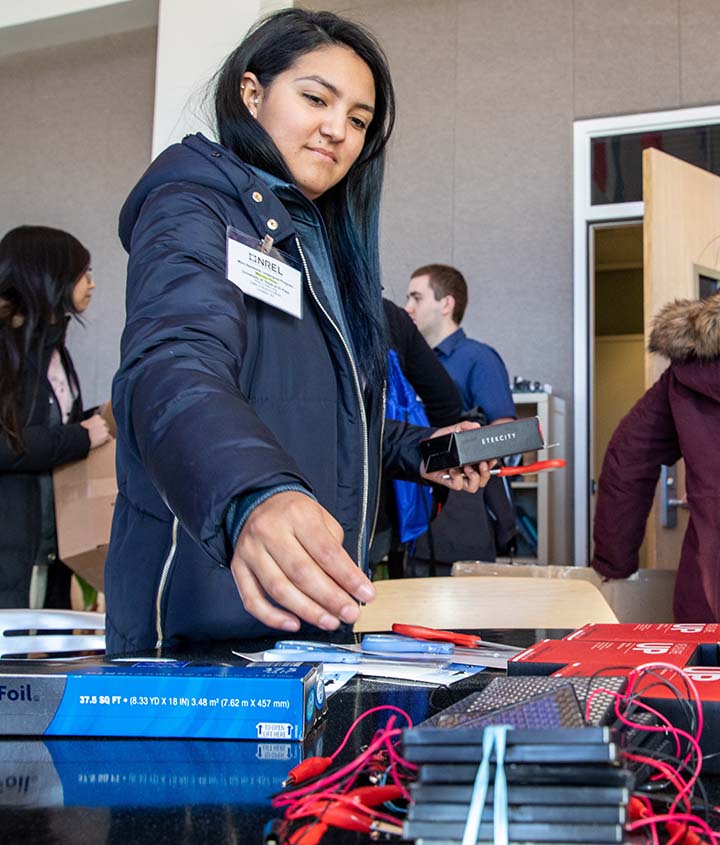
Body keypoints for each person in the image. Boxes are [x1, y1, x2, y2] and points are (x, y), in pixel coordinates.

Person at [104, 8, 490, 654]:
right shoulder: (191, 206)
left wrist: (425, 451)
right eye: (316, 98)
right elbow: (172, 367)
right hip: (200, 628)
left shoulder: (316, 247)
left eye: (360, 120)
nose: (338, 130)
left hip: (313, 614)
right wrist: (253, 492)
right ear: (251, 93)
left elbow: (318, 416)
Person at [0, 225, 111, 609]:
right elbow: (7, 442)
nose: (91, 285)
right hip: (12, 550)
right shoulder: (7, 352)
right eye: (84, 273)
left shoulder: (53, 350)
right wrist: (78, 437)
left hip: (47, 546)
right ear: (49, 274)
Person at [592, 292, 720, 623]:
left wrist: (614, 563)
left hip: (707, 593)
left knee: (703, 674)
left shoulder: (691, 369)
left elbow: (627, 460)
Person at [404, 264, 517, 567]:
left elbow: (504, 430)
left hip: (462, 513)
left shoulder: (478, 358)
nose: (408, 308)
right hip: (413, 513)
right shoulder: (407, 361)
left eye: (417, 298)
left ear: (446, 303)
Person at [369, 299, 462, 576]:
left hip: (307, 507)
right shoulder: (387, 314)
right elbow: (446, 400)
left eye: (417, 298)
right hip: (392, 502)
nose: (410, 306)